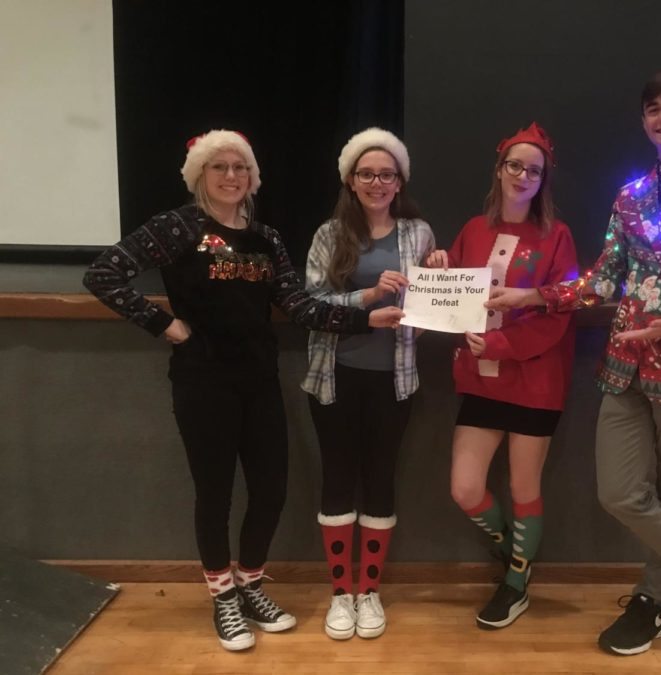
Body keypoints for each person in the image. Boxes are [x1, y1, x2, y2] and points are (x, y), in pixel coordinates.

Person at [487, 71, 661, 664]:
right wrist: (535, 297)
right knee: (620, 492)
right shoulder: (632, 195)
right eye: (653, 110)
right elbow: (605, 278)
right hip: (623, 367)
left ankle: (653, 600)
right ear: (644, 122)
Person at [83, 129, 403, 652]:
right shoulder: (178, 227)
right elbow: (104, 274)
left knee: (271, 490)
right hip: (202, 382)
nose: (231, 176)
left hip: (259, 382)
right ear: (199, 175)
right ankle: (223, 596)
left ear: (253, 177)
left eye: (240, 167)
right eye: (219, 167)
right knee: (214, 494)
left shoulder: (266, 238)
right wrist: (165, 325)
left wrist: (367, 318)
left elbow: (300, 307)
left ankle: (251, 581)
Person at [425, 123, 578, 629]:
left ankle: (516, 582)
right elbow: (457, 300)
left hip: (535, 383)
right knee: (465, 489)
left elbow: (559, 312)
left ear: (543, 180)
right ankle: (515, 546)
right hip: (480, 381)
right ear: (499, 169)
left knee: (523, 485)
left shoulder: (557, 236)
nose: (523, 176)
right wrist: (440, 268)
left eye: (534, 170)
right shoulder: (473, 229)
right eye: (515, 165)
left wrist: (498, 343)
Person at [303, 128, 435, 640]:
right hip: (333, 378)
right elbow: (310, 307)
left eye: (386, 173)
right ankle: (341, 594)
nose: (377, 182)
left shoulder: (419, 234)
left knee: (380, 478)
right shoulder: (328, 235)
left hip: (395, 381)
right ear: (351, 181)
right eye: (366, 174)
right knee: (338, 478)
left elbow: (430, 306)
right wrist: (367, 299)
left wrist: (439, 271)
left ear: (399, 181)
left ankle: (369, 592)